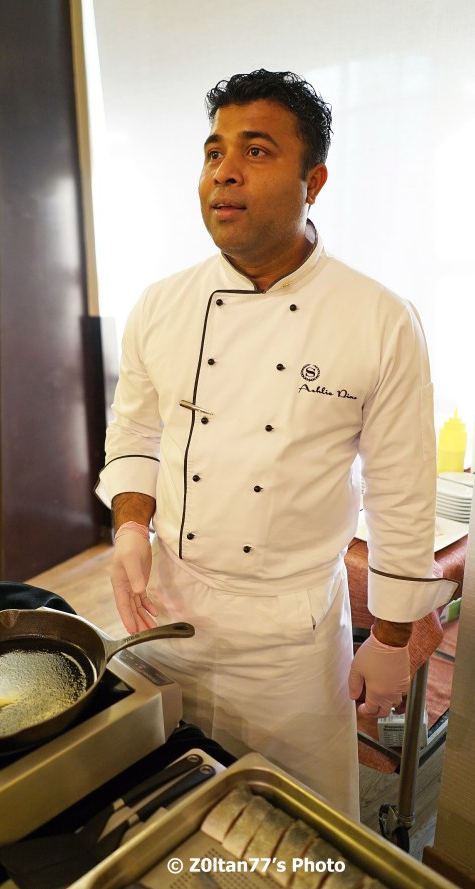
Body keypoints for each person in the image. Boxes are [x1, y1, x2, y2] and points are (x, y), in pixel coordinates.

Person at [95, 69, 454, 819]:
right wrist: (130, 525)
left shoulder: (379, 319)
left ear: (313, 180)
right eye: (214, 152)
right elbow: (135, 428)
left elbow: (401, 491)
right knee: (169, 804)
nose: (223, 171)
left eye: (255, 151)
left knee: (297, 826)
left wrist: (391, 636)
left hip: (289, 638)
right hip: (168, 610)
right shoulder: (161, 304)